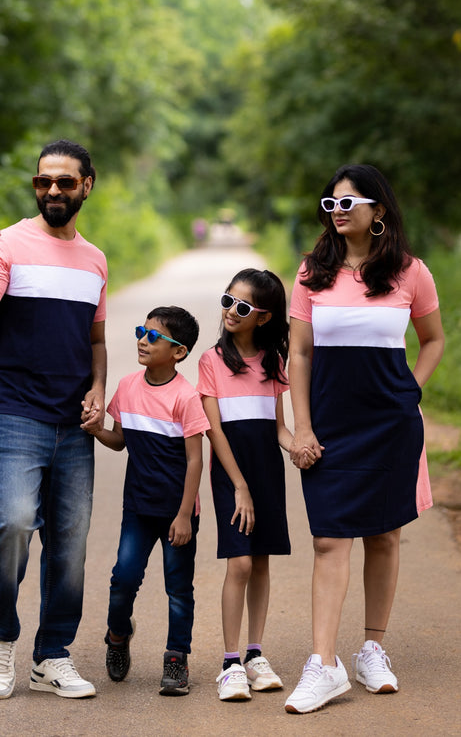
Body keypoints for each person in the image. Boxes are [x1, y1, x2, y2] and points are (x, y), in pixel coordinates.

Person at [285, 164, 444, 714]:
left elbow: (434, 341)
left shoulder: (410, 272)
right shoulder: (312, 273)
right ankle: (323, 664)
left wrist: (411, 392)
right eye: (332, 204)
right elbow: (299, 355)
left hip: (390, 425)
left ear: (379, 211)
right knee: (329, 539)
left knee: (384, 536)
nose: (340, 211)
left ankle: (372, 648)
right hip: (330, 423)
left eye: (351, 202)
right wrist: (301, 425)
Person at [0, 139, 108, 700]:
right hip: (15, 408)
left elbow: (95, 336)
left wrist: (98, 387)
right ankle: (2, 634)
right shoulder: (10, 245)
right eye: (44, 181)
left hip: (73, 420)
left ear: (86, 185)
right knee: (16, 520)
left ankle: (52, 656)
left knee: (69, 542)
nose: (53, 191)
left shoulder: (95, 259)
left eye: (65, 182)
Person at [197, 269, 315, 701]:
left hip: (266, 470)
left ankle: (255, 653)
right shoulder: (211, 360)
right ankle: (230, 663)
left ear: (263, 318)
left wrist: (298, 447)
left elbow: (278, 428)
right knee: (240, 563)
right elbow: (214, 432)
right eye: (227, 301)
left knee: (261, 560)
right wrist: (240, 486)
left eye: (242, 307)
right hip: (232, 473)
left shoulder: (273, 363)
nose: (231, 311)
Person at [83, 306, 209, 696]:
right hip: (137, 509)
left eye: (153, 336)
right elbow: (121, 441)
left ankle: (176, 660)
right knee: (123, 578)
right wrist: (97, 429)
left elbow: (194, 460)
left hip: (177, 515)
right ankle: (117, 637)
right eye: (141, 330)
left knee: (178, 590)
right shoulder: (127, 387)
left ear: (178, 352)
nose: (142, 339)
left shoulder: (186, 397)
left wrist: (185, 514)